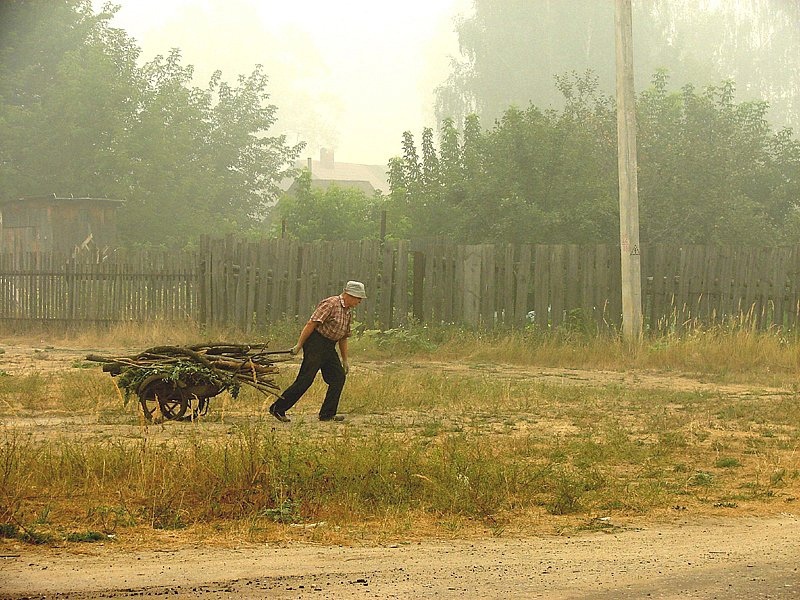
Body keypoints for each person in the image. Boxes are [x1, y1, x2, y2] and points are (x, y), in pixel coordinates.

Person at [269, 280, 366, 423]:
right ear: (349, 295)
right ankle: (277, 408)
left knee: (338, 377)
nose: (359, 302)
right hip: (316, 343)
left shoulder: (347, 312)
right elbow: (311, 323)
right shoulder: (331, 304)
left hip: (329, 346)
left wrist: (345, 360)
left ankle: (327, 414)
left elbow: (343, 337)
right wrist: (299, 345)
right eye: (358, 298)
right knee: (305, 379)